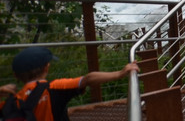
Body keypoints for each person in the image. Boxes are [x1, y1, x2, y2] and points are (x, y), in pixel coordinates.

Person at [1, 46, 139, 121]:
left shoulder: (10, 102)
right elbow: (88, 79)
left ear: (16, 75)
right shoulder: (53, 88)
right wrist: (120, 73)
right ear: (46, 68)